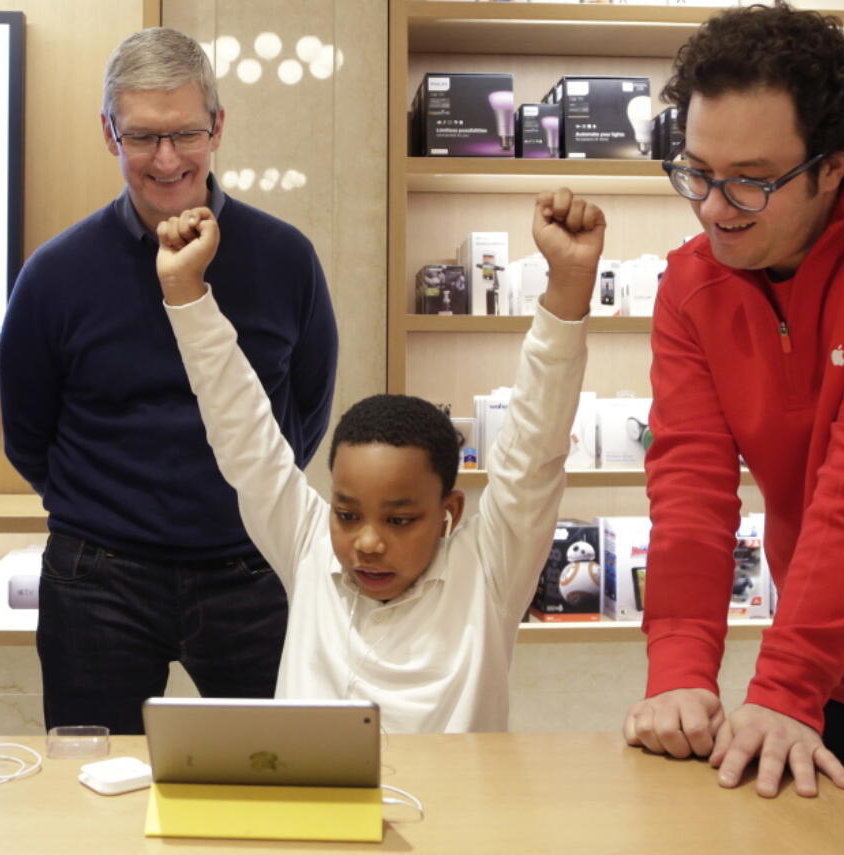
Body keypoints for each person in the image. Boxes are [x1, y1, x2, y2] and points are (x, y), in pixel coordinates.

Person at [152, 188, 601, 732]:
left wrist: (570, 285)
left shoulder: (488, 570)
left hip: (457, 816)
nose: (366, 542)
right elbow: (241, 430)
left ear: (449, 512)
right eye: (347, 514)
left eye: (400, 519)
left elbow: (535, 446)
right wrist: (184, 290)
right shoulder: (310, 549)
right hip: (318, 817)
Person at [0, 27, 338, 734]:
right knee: (94, 789)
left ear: (217, 126)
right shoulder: (55, 275)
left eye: (185, 133)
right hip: (98, 578)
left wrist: (248, 506)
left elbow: (306, 409)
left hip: (254, 567)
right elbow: (28, 434)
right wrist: (108, 510)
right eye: (143, 137)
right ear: (108, 133)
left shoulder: (286, 259)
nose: (166, 159)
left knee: (275, 777)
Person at [622, 4, 844, 817]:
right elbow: (693, 485)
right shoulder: (690, 286)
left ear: (836, 163)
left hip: (814, 666)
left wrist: (784, 683)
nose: (712, 206)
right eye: (695, 170)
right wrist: (678, 669)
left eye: (751, 179)